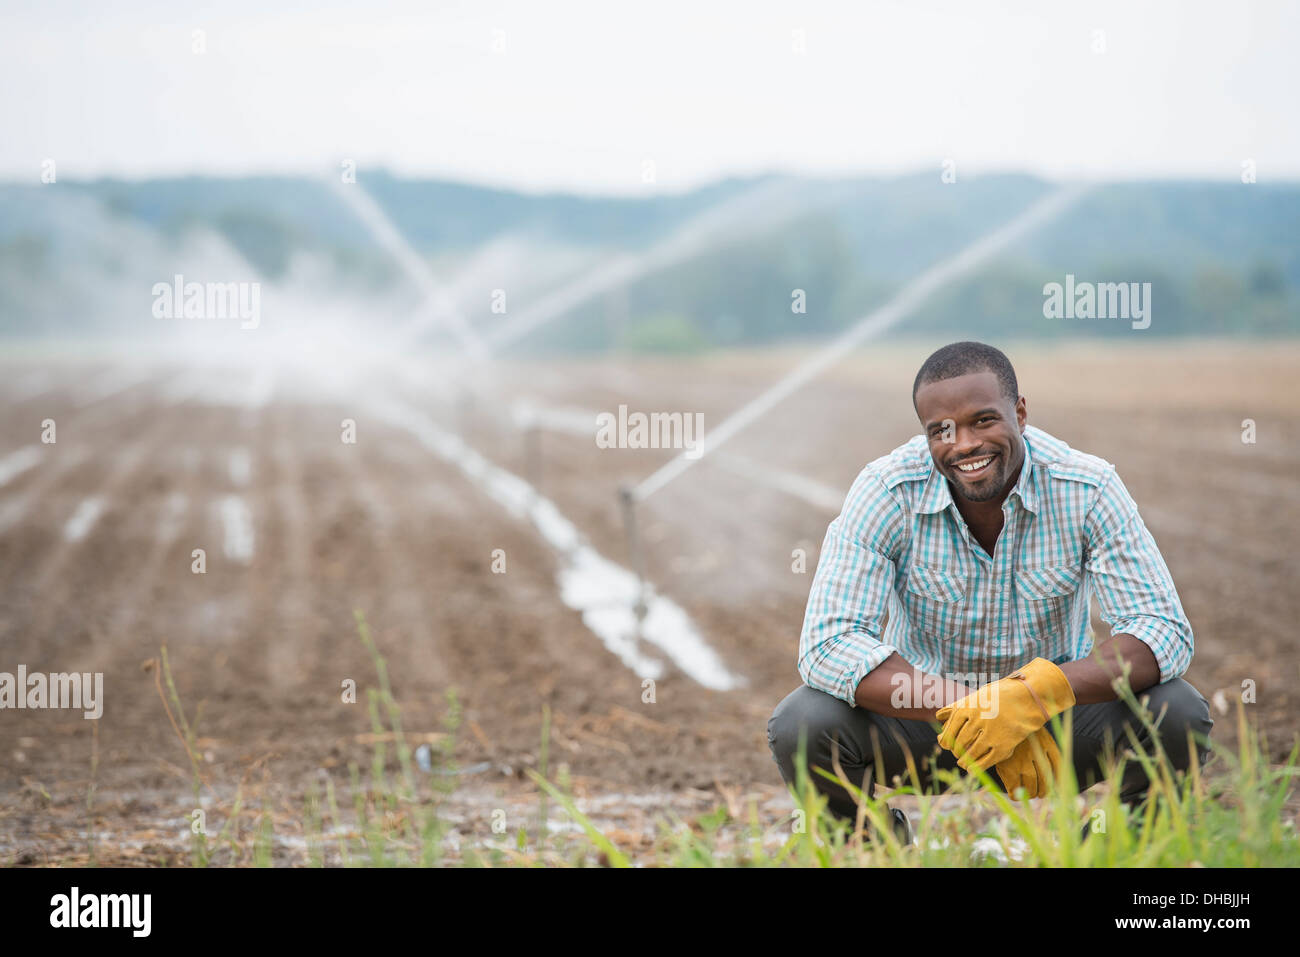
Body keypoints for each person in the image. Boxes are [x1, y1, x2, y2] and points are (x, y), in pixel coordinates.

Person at [767, 341, 1213, 834]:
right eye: (941, 430)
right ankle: (869, 845)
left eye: (983, 420)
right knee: (803, 721)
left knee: (1176, 710)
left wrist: (1035, 696)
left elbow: (1162, 630)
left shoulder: (1087, 487)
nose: (962, 444)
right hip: (932, 726)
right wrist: (974, 710)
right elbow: (829, 643)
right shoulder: (887, 490)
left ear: (1020, 413)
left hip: (1052, 729)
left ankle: (1117, 846)